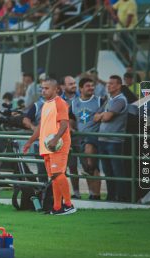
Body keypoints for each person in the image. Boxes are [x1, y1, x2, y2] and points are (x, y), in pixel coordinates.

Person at [23, 79, 76, 215]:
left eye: (46, 88)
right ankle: (57, 207)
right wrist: (30, 141)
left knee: (58, 174)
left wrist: (55, 139)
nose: (43, 91)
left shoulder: (60, 103)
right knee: (53, 177)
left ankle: (69, 205)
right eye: (42, 88)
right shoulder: (46, 104)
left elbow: (65, 124)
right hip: (47, 146)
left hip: (58, 145)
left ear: (55, 89)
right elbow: (41, 126)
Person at [94, 75, 129, 202]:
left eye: (112, 83)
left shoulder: (121, 100)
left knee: (117, 170)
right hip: (103, 140)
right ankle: (111, 196)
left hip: (114, 141)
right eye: (108, 83)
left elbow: (107, 117)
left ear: (119, 85)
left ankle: (122, 197)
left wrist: (102, 115)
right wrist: (103, 114)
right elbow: (95, 117)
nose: (108, 85)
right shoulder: (109, 99)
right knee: (108, 171)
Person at [69, 77, 104, 200]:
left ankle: (96, 194)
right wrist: (71, 128)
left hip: (95, 138)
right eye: (88, 86)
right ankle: (92, 194)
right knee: (87, 168)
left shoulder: (100, 101)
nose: (91, 88)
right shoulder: (74, 103)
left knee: (92, 166)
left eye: (92, 85)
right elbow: (71, 120)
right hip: (80, 140)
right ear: (81, 88)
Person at [61, 76, 80, 199]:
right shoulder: (58, 99)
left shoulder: (81, 97)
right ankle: (64, 194)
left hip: (79, 138)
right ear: (63, 86)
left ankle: (79, 193)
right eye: (70, 84)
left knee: (80, 167)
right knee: (64, 167)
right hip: (63, 138)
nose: (73, 85)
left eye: (74, 83)